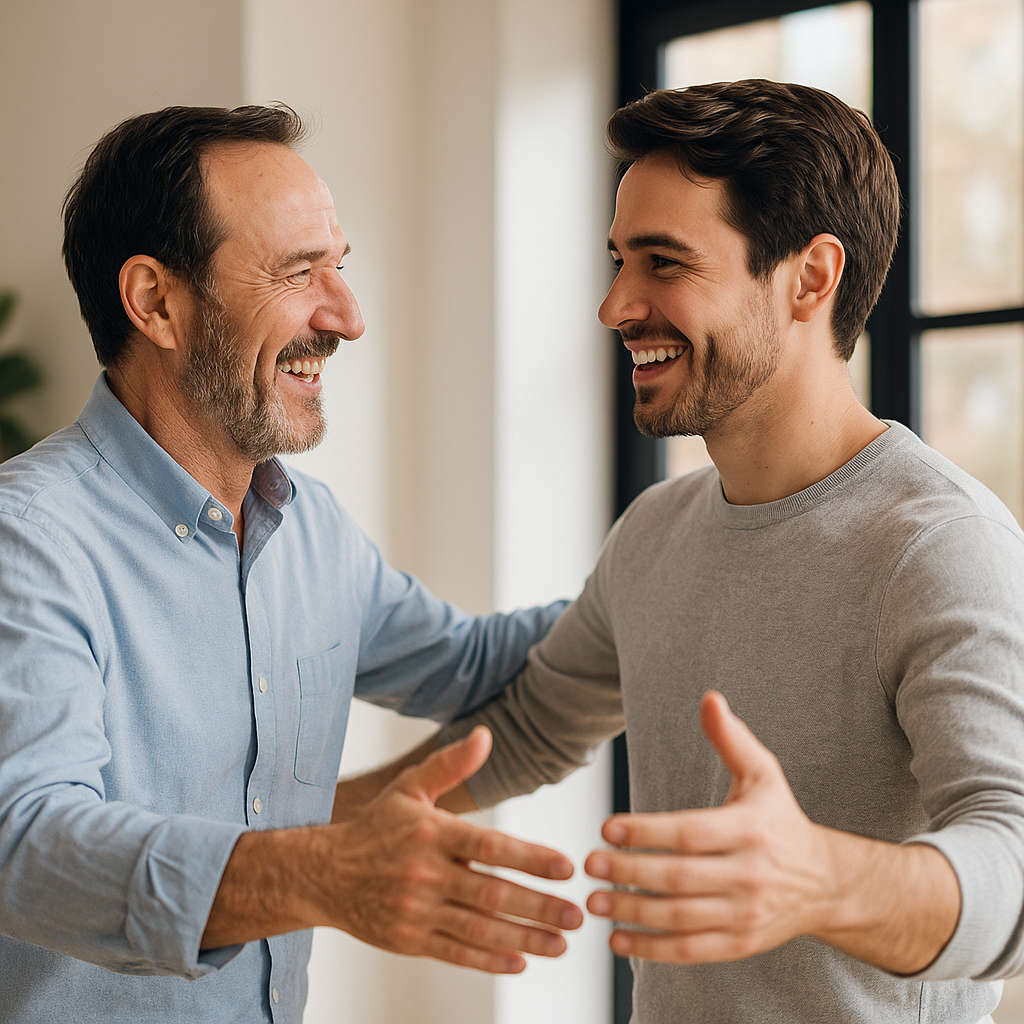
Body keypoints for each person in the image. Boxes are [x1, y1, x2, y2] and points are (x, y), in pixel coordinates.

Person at [387, 80, 1024, 1022]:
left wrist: (820, 879)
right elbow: (524, 729)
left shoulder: (937, 547)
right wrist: (292, 852)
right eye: (618, 262)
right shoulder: (656, 533)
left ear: (810, 278)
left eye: (663, 263)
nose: (614, 306)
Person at [0, 104, 585, 1024]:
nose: (347, 316)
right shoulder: (28, 540)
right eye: (296, 273)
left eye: (339, 269)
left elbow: (478, 670)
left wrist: (681, 572)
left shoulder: (311, 533)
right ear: (156, 302)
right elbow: (25, 844)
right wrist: (317, 872)